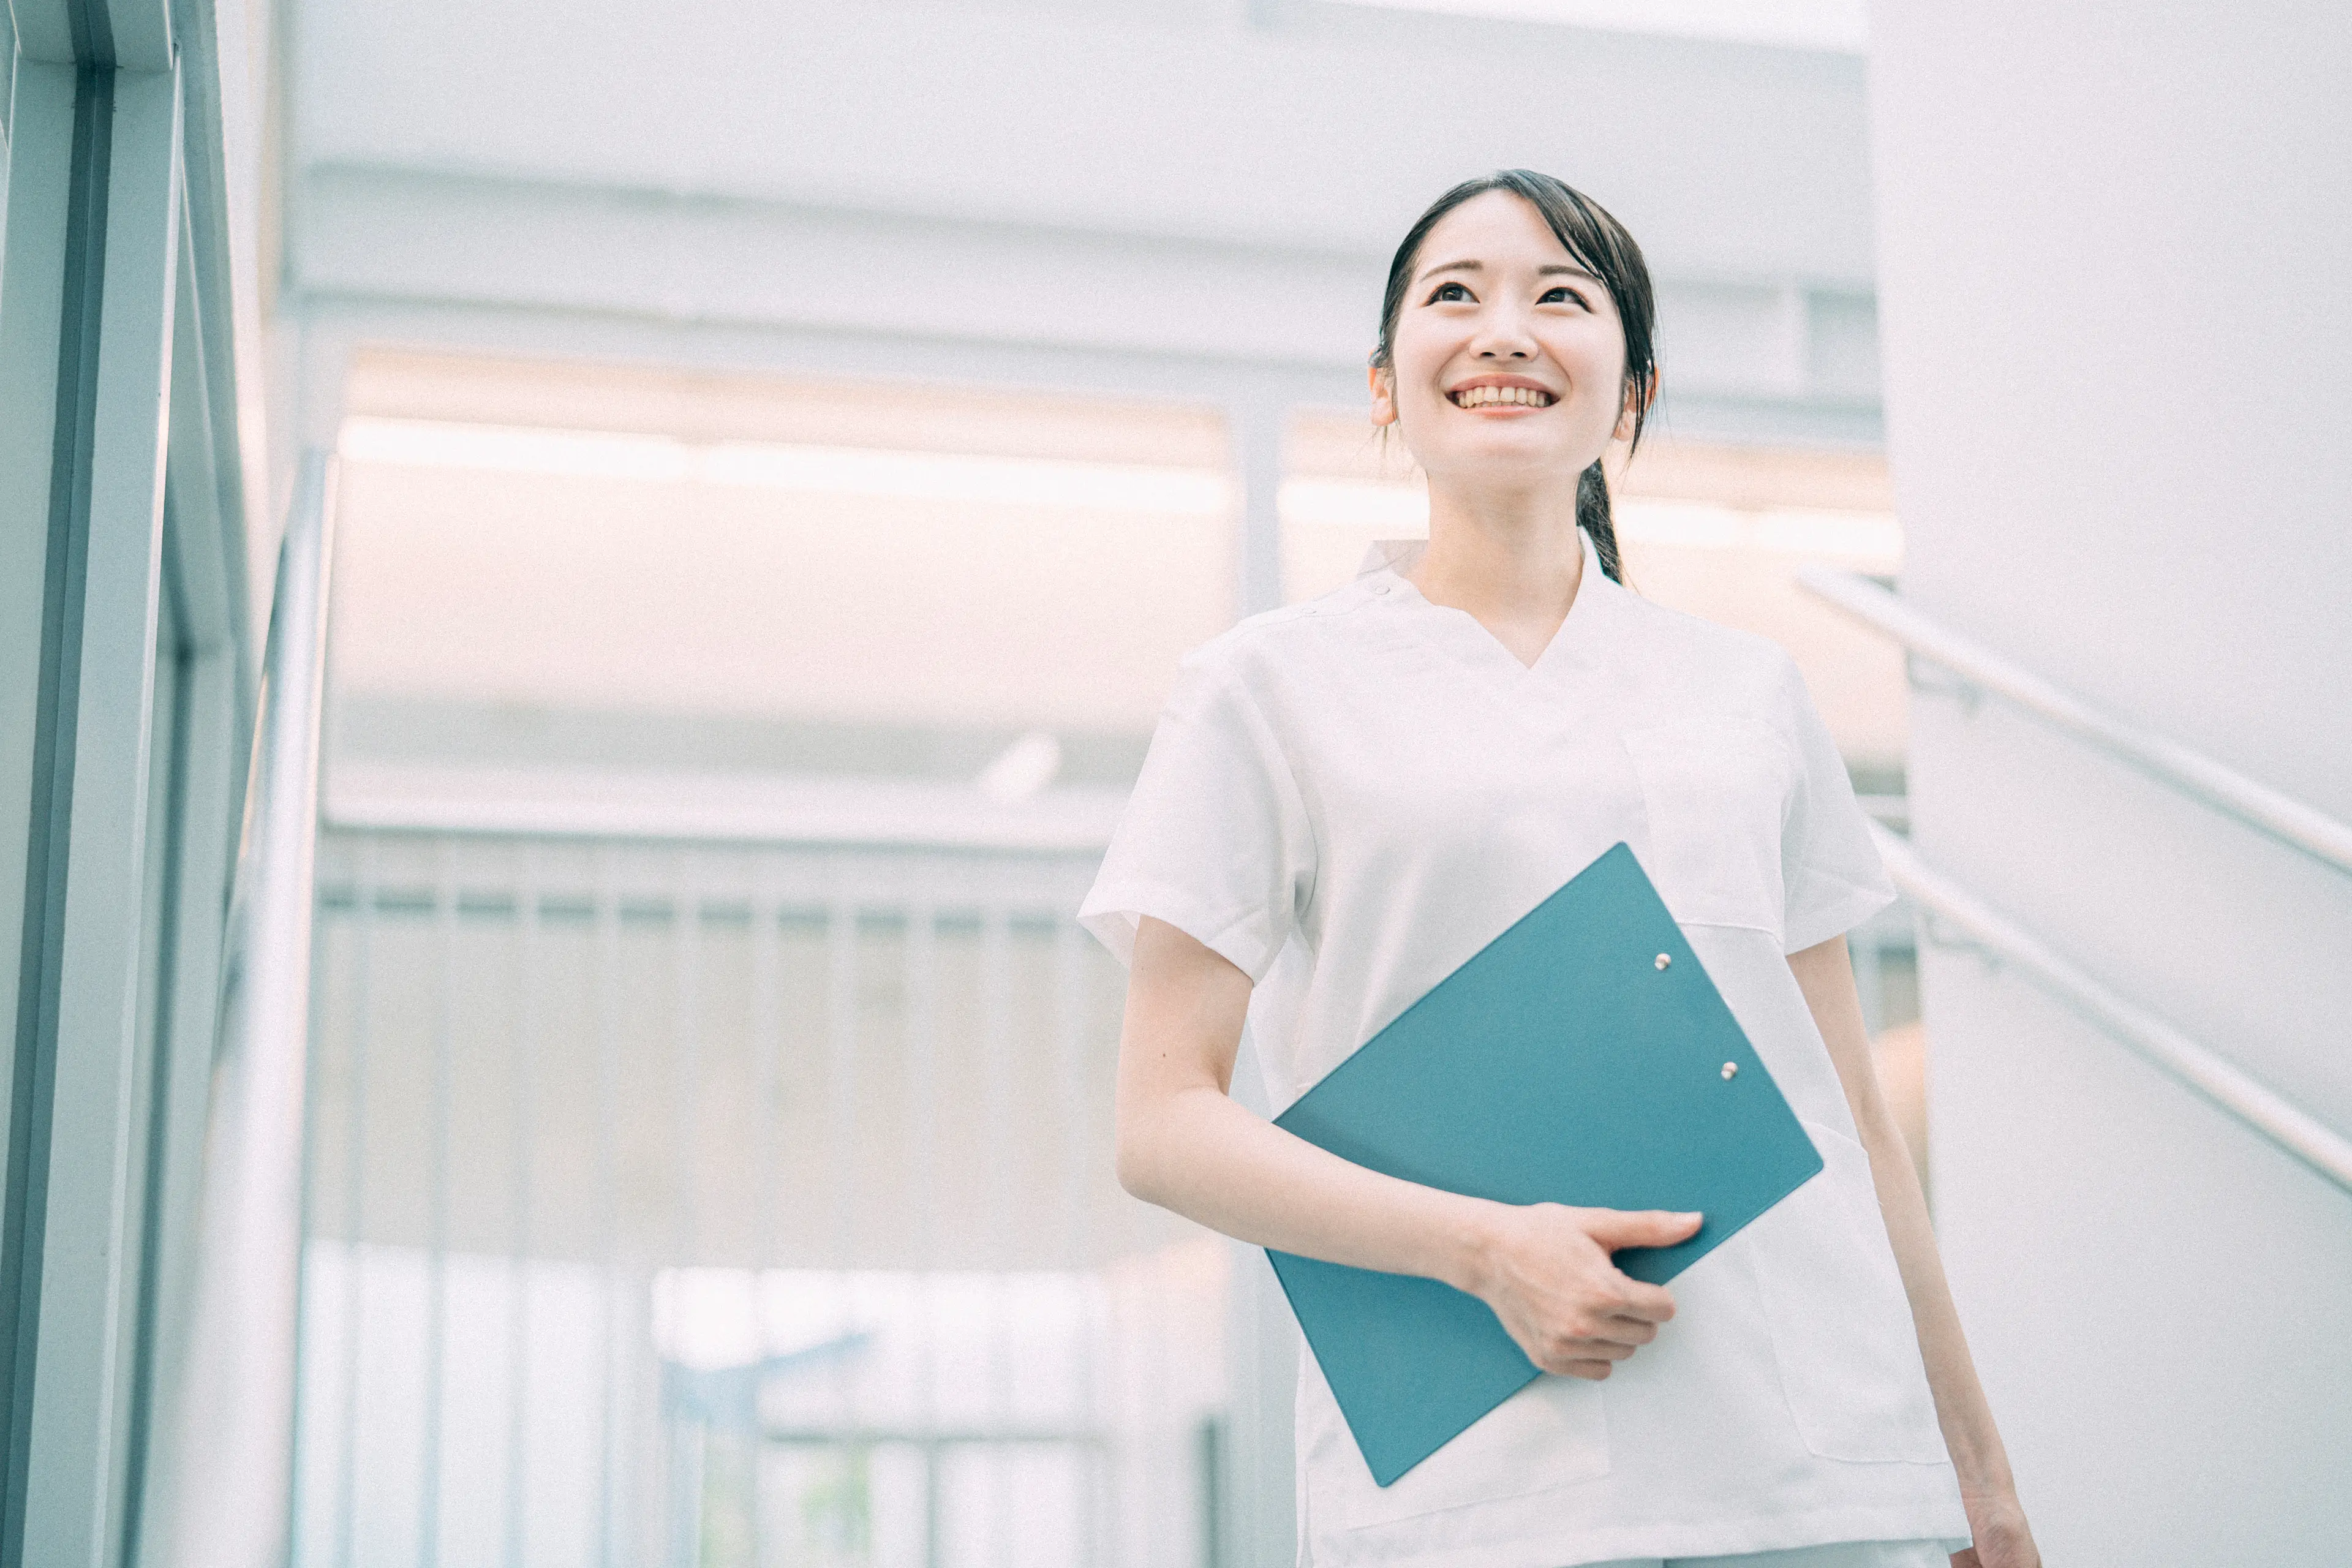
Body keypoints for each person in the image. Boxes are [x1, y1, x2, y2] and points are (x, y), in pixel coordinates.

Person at [1076, 172, 2040, 1568]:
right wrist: (1486, 1250)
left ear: (1630, 394)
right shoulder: (1264, 689)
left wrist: (1980, 1475)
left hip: (1810, 1466)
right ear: (1384, 384)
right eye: (1454, 294)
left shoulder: (1749, 693)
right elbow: (1163, 1123)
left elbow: (1849, 1119)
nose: (1504, 330)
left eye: (1561, 297)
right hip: (1485, 1486)